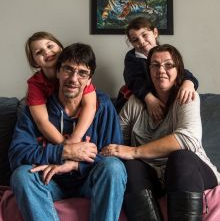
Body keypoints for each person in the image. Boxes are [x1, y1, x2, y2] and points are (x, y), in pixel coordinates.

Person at [9, 43, 127, 221]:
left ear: (89, 80)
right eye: (68, 69)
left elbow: (115, 153)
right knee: (22, 176)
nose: (73, 78)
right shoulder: (36, 108)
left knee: (114, 168)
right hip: (49, 181)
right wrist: (63, 152)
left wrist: (74, 165)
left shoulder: (102, 106)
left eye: (82, 73)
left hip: (90, 180)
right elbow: (17, 155)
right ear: (57, 72)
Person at [102, 44, 220, 221]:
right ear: (148, 70)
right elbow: (115, 138)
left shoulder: (187, 96)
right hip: (151, 176)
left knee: (180, 157)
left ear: (179, 70)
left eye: (168, 65)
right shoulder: (136, 102)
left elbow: (188, 139)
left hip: (189, 173)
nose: (161, 70)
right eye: (155, 65)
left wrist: (135, 151)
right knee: (130, 166)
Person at [115, 16, 199, 122]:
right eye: (135, 40)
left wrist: (188, 83)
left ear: (155, 33)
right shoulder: (132, 58)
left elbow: (181, 72)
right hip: (141, 97)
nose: (141, 42)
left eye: (144, 35)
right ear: (131, 43)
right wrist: (149, 99)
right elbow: (134, 81)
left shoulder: (166, 52)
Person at [25, 32, 97, 144]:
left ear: (60, 48)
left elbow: (90, 106)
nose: (46, 52)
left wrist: (75, 138)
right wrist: (65, 145)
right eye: (39, 52)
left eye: (50, 46)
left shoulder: (77, 77)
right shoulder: (35, 84)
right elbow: (42, 121)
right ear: (34, 62)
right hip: (45, 112)